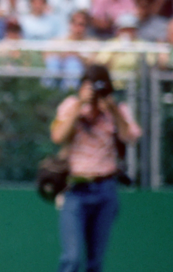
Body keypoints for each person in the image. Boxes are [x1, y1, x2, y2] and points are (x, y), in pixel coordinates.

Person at [50, 64, 141, 272]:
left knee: (95, 261)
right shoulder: (71, 105)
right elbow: (58, 137)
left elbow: (130, 137)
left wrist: (113, 109)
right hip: (75, 189)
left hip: (105, 189)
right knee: (71, 259)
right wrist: (80, 105)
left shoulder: (118, 110)